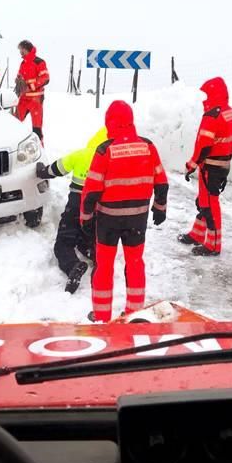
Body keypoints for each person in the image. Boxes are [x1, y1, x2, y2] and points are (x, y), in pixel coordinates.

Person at [80, 101, 168, 323]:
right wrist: (160, 207)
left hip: (108, 221)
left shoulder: (105, 150)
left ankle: (101, 316)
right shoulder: (148, 147)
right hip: (137, 219)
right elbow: (162, 182)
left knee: (104, 267)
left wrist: (86, 217)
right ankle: (134, 312)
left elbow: (91, 190)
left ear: (110, 122)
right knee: (135, 263)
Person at [36, 126, 108, 294]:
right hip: (98, 210)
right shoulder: (111, 159)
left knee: (64, 242)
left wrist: (41, 170)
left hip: (76, 207)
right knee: (89, 239)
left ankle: (72, 266)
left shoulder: (81, 154)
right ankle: (96, 256)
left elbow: (54, 170)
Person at [178, 77, 232, 256]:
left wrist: (192, 164)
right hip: (222, 165)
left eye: (207, 94)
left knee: (210, 205)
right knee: (204, 202)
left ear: (214, 94)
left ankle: (213, 245)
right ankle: (197, 234)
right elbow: (230, 139)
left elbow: (204, 145)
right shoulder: (231, 113)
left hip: (210, 166)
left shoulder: (212, 115)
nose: (204, 98)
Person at [14, 40, 50, 143]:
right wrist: (18, 80)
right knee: (15, 123)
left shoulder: (39, 62)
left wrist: (30, 86)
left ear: (26, 49)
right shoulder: (23, 63)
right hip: (24, 98)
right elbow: (19, 75)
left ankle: (40, 149)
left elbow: (45, 78)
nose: (20, 52)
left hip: (36, 100)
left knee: (37, 128)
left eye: (21, 50)